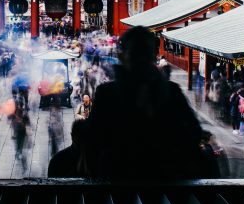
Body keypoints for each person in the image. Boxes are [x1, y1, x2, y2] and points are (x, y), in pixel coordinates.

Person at [87, 26, 203, 180]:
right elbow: (193, 134)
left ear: (121, 56)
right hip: (159, 179)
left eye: (144, 53)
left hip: (123, 178)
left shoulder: (107, 94)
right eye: (137, 53)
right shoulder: (171, 92)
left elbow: (92, 141)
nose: (141, 59)